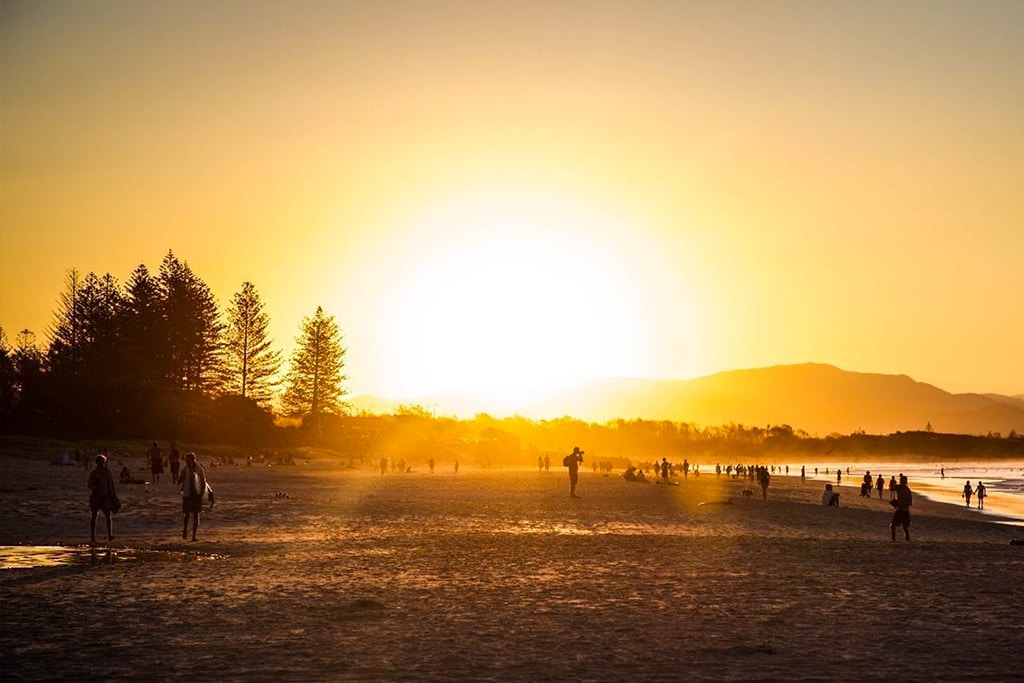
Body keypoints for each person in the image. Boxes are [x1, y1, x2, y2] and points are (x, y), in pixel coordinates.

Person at [88, 453, 119, 544]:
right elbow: (90, 485)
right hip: (96, 496)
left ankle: (110, 534)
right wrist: (96, 486)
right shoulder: (94, 473)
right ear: (97, 463)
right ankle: (93, 536)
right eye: (100, 462)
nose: (101, 464)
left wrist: (114, 497)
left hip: (106, 496)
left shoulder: (107, 472)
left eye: (103, 462)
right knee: (94, 516)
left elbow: (111, 485)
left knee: (108, 516)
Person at [178, 452, 207, 541]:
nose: (186, 462)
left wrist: (202, 492)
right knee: (186, 514)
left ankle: (194, 536)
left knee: (195, 515)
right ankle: (185, 530)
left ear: (193, 460)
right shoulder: (185, 469)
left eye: (188, 460)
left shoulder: (199, 469)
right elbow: (180, 480)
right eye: (186, 460)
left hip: (196, 494)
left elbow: (203, 481)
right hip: (187, 493)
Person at [890, 475, 912, 542]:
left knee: (904, 527)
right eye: (900, 480)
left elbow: (910, 502)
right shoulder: (902, 488)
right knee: (894, 525)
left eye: (902, 480)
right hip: (901, 510)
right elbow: (893, 487)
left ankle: (905, 539)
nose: (901, 482)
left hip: (903, 510)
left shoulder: (905, 489)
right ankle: (894, 539)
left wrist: (899, 503)